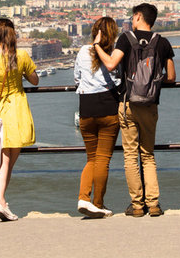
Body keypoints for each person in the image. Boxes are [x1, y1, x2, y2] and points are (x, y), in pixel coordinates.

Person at [93, 3, 176, 217]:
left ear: (138, 17)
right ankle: (154, 204)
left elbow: (111, 64)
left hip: (128, 102)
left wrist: (97, 47)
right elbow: (172, 76)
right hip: (150, 104)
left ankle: (137, 205)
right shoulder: (163, 42)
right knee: (148, 155)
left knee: (130, 155)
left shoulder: (125, 38)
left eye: (133, 16)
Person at [0, 18, 38, 221]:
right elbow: (35, 80)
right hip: (17, 111)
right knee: (5, 163)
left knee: (2, 161)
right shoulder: (20, 55)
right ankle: (1, 203)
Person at [74, 17, 121, 218]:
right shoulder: (115, 53)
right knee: (103, 159)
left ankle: (83, 198)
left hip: (86, 108)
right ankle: (98, 203)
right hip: (108, 106)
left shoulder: (83, 52)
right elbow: (118, 79)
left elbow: (77, 77)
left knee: (91, 158)